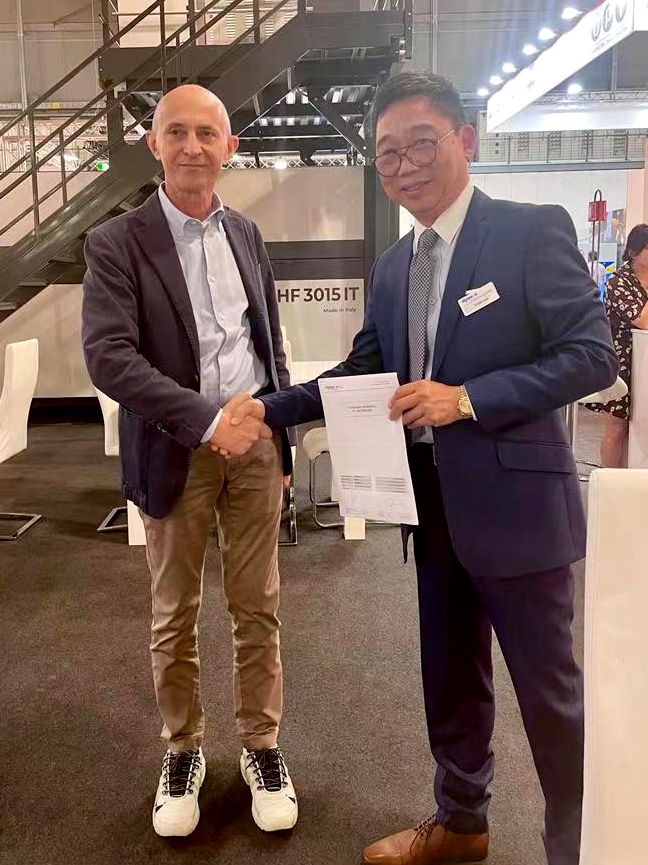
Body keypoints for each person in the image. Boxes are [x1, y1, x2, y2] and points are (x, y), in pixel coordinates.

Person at [226, 72, 618, 865]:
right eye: (387, 153)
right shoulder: (393, 267)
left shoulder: (529, 230)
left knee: (552, 698)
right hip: (430, 505)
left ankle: (581, 848)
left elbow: (591, 356)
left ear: (465, 140)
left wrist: (467, 398)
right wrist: (268, 409)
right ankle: (461, 821)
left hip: (518, 509)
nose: (404, 165)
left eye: (421, 144)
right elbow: (361, 374)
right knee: (450, 678)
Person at [81, 84, 299, 838]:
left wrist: (279, 438)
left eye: (207, 133)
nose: (192, 147)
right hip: (177, 449)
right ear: (154, 143)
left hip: (257, 446)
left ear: (230, 147)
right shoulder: (117, 242)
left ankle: (262, 746)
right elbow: (110, 358)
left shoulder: (247, 233)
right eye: (176, 132)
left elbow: (268, 343)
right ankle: (183, 750)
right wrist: (208, 423)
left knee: (258, 605)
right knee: (174, 612)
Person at [586, 224, 648, 466]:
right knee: (617, 427)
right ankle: (610, 477)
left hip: (644, 360)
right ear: (633, 252)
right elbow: (642, 321)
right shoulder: (618, 282)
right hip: (623, 362)